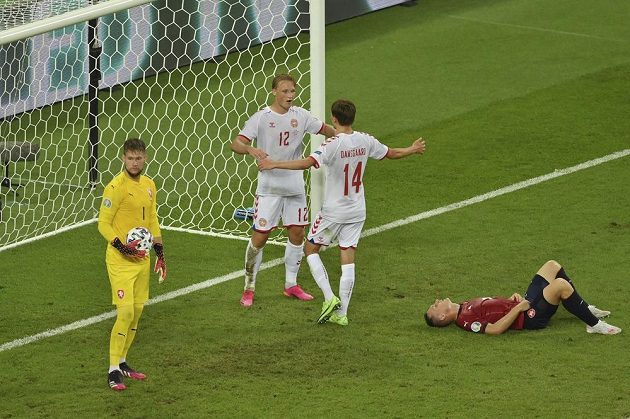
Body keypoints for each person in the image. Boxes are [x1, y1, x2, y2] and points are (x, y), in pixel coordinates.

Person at [258, 99, 426, 325]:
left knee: (310, 249)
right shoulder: (365, 140)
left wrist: (274, 164)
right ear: (353, 118)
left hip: (333, 212)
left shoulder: (332, 144)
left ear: (334, 119)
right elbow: (391, 153)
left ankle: (329, 298)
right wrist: (413, 149)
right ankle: (342, 314)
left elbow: (307, 163)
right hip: (357, 210)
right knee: (348, 259)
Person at [229, 73, 336, 307]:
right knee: (260, 237)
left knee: (297, 233)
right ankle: (249, 287)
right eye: (285, 91)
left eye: (293, 91)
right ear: (274, 92)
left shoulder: (302, 116)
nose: (290, 95)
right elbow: (236, 142)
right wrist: (250, 150)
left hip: (294, 187)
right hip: (269, 188)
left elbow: (327, 129)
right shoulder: (261, 118)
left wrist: (347, 136)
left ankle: (291, 285)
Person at [98, 138, 167, 391]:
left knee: (137, 312)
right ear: (123, 159)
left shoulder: (149, 185)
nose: (135, 163)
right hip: (119, 261)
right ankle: (112, 369)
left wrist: (160, 252)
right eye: (130, 158)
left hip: (142, 260)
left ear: (145, 158)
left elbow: (152, 219)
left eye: (138, 158)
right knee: (125, 312)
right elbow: (102, 224)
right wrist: (121, 247)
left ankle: (123, 361)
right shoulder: (116, 187)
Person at [424, 260, 621, 335]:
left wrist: (510, 300)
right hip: (528, 317)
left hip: (521, 305)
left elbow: (492, 308)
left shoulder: (463, 306)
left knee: (552, 266)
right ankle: (594, 325)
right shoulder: (465, 320)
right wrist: (517, 309)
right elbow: (493, 330)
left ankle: (584, 308)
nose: (437, 301)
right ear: (442, 317)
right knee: (561, 286)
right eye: (435, 307)